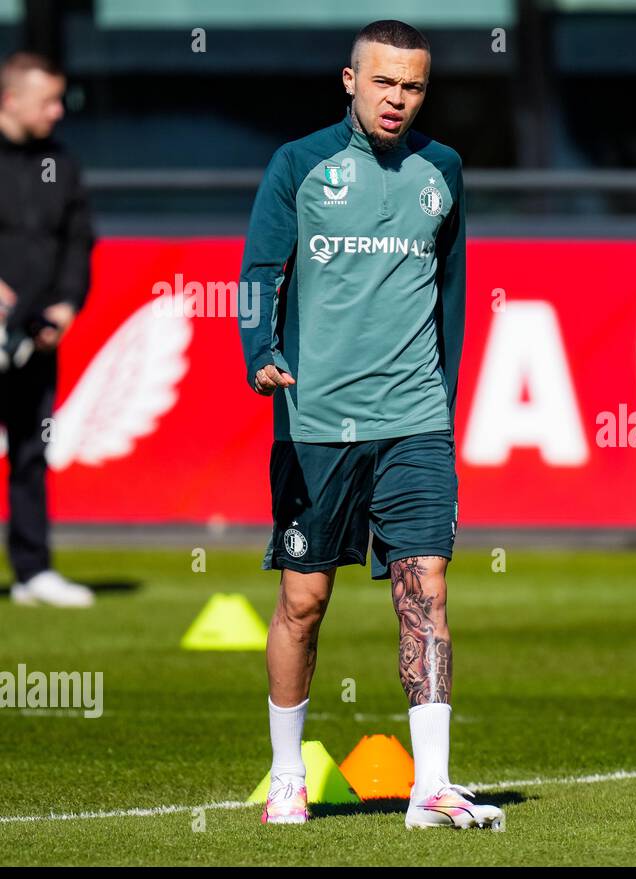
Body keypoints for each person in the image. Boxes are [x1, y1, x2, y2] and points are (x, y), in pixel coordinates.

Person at [237, 20, 498, 828]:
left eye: (413, 87)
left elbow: (450, 290)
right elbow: (257, 274)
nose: (398, 99)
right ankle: (287, 774)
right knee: (303, 602)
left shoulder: (443, 170)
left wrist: (446, 400)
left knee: (427, 592)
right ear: (350, 80)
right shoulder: (298, 164)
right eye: (383, 82)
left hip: (415, 419)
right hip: (316, 422)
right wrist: (260, 350)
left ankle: (432, 787)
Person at [0, 51, 95, 607]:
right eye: (48, 101)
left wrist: (64, 307)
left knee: (32, 454)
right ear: (12, 99)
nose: (58, 111)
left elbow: (78, 241)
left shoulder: (62, 163)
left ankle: (33, 571)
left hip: (35, 339)